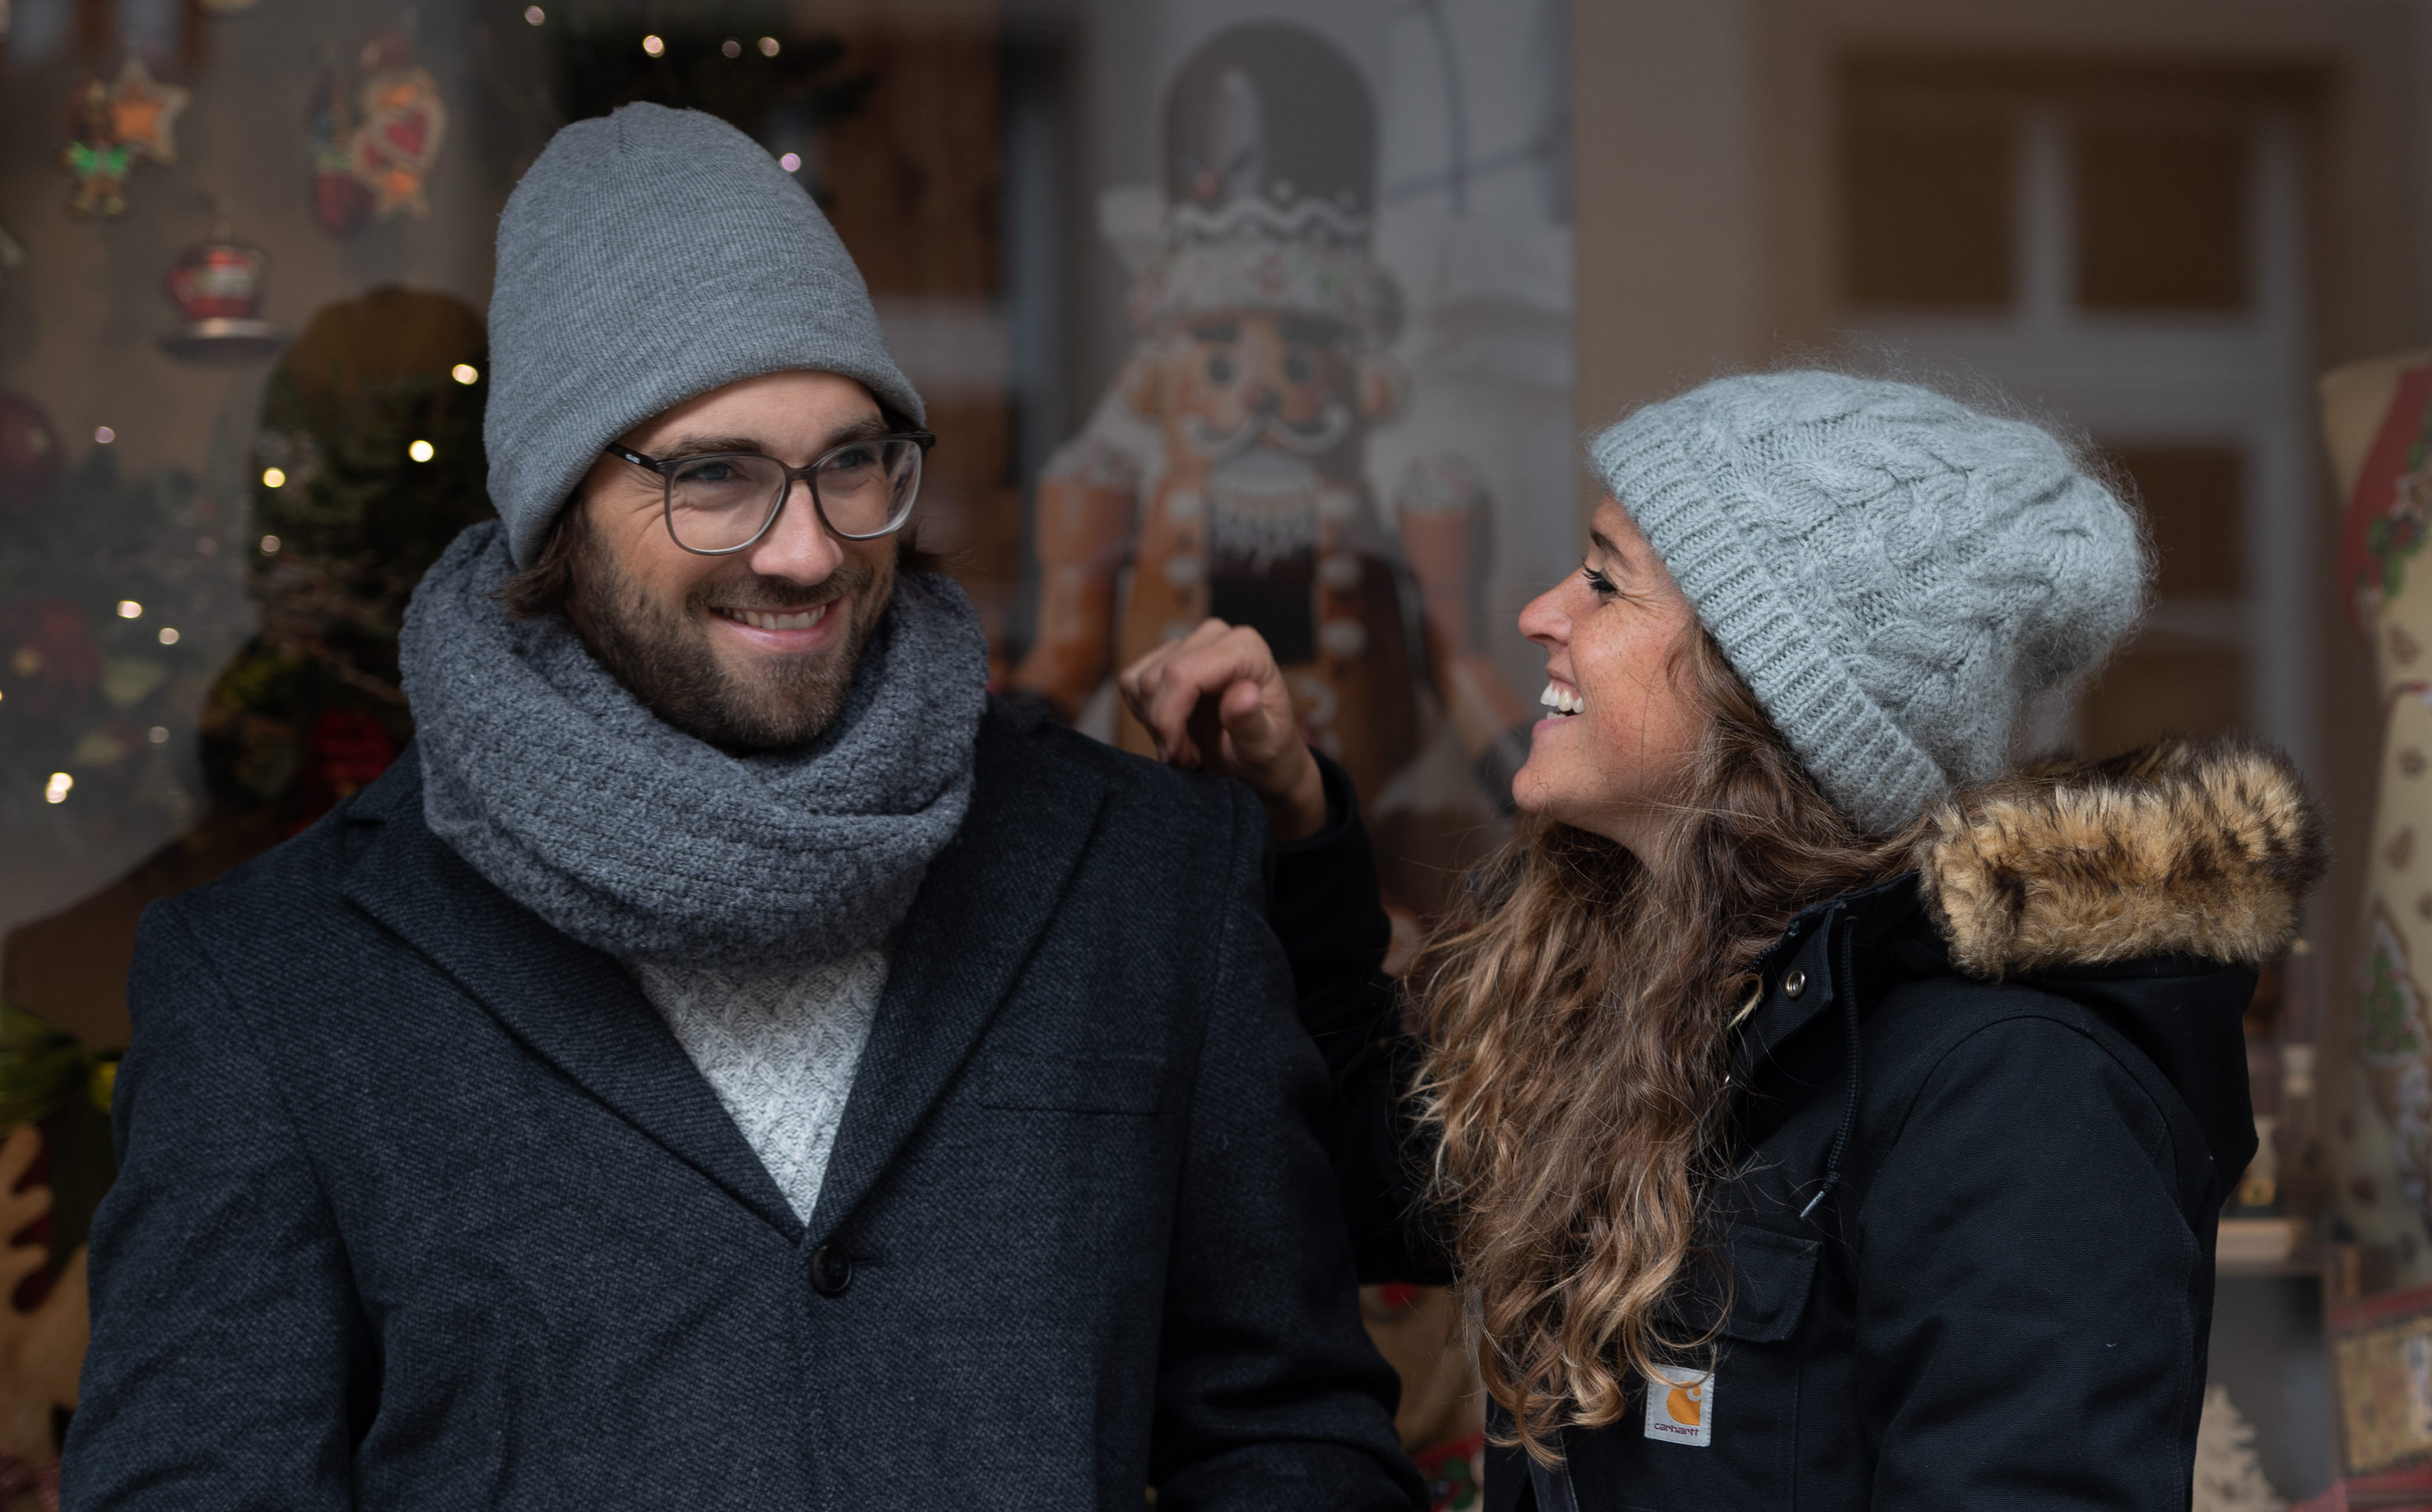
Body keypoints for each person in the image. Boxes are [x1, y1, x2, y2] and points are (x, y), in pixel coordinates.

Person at [64, 105, 1418, 1510]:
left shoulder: (1146, 872)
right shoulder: (278, 979)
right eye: (712, 473)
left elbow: (1290, 1433)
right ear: (555, 505)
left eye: (852, 457)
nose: (804, 547)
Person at [1123, 371, 2329, 1508]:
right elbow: (1355, 1166)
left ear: (1758, 680)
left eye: (1605, 580)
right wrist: (1297, 822)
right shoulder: (1654, 1000)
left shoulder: (2016, 1089)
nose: (1543, 612)